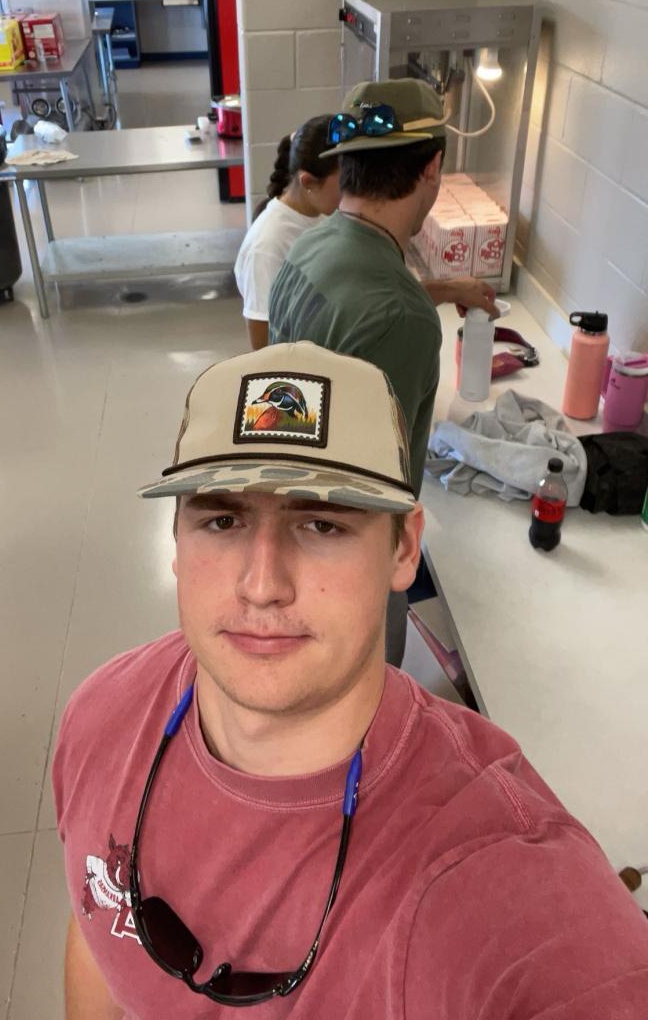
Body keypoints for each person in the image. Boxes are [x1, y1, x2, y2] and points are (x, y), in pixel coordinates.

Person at [54, 342, 648, 1019]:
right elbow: (97, 930)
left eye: (322, 523)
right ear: (177, 541)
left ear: (404, 548)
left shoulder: (498, 873)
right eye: (222, 520)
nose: (263, 584)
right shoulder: (103, 715)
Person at [267, 79, 494, 664]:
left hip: (287, 503)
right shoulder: (402, 317)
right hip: (345, 569)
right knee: (363, 689)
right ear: (432, 168)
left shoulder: (311, 245)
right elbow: (370, 489)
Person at [234, 116, 340, 350]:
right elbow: (264, 348)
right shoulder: (266, 246)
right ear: (308, 182)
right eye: (344, 183)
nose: (352, 191)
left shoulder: (322, 212)